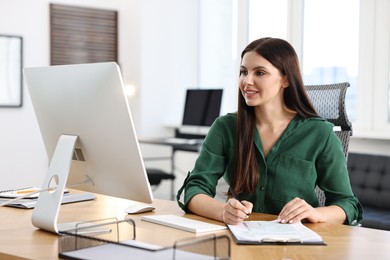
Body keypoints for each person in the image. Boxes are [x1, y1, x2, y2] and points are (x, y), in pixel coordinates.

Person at [176, 37, 363, 226]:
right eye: (243, 72)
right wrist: (223, 212)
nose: (247, 81)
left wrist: (316, 213)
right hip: (240, 241)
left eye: (260, 72)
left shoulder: (319, 133)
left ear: (286, 79)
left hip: (297, 246)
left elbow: (347, 204)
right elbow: (195, 189)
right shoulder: (225, 127)